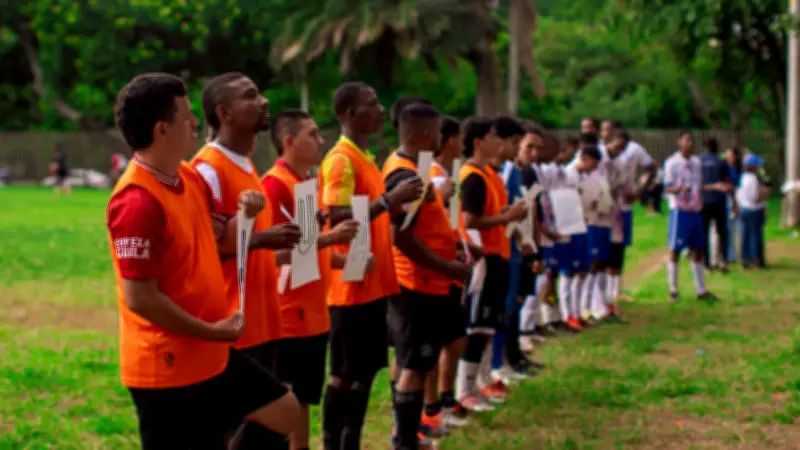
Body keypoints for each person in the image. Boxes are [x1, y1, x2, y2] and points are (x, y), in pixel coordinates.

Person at [108, 72, 300, 449]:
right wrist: (211, 331)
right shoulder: (136, 201)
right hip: (167, 368)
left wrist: (244, 218)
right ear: (163, 129)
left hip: (208, 352)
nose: (196, 122)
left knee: (284, 409)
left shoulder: (186, 176)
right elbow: (141, 298)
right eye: (186, 116)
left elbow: (219, 237)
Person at [194, 72, 315, 449]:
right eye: (251, 96)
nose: (263, 101)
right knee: (251, 423)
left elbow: (248, 249)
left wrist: (302, 244)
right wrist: (265, 238)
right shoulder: (208, 168)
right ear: (224, 113)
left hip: (265, 320)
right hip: (233, 323)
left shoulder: (246, 165)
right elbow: (205, 248)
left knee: (274, 423)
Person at [318, 81, 423, 450]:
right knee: (344, 375)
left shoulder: (366, 157)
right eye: (372, 103)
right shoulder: (341, 159)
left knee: (364, 373)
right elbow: (336, 215)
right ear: (349, 114)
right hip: (349, 285)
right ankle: (333, 442)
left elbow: (373, 209)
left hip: (373, 282)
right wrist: (386, 201)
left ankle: (352, 441)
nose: (381, 110)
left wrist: (396, 207)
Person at [262, 109, 362, 450]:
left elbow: (307, 254)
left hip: (312, 314)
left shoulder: (304, 185)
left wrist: (343, 260)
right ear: (289, 141)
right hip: (289, 315)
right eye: (313, 134)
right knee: (288, 399)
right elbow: (270, 253)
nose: (321, 141)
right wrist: (330, 241)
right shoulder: (274, 186)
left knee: (302, 398)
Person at [382, 103, 471, 450]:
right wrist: (445, 266)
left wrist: (451, 251)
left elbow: (426, 227)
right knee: (415, 366)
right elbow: (401, 237)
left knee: (412, 361)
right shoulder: (405, 175)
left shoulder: (412, 169)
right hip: (416, 284)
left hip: (425, 281)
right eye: (436, 133)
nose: (440, 139)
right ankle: (404, 440)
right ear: (423, 135)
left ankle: (409, 431)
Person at [455, 116, 527, 412]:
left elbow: (492, 214)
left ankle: (480, 384)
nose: (499, 142)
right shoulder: (472, 175)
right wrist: (505, 218)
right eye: (494, 136)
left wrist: (507, 216)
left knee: (488, 326)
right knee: (477, 327)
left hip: (500, 256)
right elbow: (470, 219)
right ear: (479, 142)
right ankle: (464, 390)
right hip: (484, 258)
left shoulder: (491, 175)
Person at [428, 115, 474, 428]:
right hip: (433, 272)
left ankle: (445, 397)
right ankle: (430, 407)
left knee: (454, 338)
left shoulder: (450, 173)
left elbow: (451, 222)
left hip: (451, 266)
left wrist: (461, 246)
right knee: (430, 345)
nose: (463, 144)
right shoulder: (429, 175)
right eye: (459, 138)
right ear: (449, 141)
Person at [663, 131, 718, 302]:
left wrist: (710, 188)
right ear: (679, 142)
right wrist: (679, 189)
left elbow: (699, 184)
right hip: (680, 209)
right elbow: (667, 187)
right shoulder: (672, 163)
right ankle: (673, 288)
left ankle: (701, 290)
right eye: (686, 140)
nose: (689, 144)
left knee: (698, 249)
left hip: (695, 208)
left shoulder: (696, 162)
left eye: (692, 141)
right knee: (675, 249)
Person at [699, 137, 734, 272]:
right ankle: (722, 260)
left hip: (704, 201)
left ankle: (706, 262)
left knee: (704, 232)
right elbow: (727, 182)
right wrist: (733, 200)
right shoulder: (721, 161)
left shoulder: (699, 161)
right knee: (721, 232)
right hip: (719, 201)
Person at [737, 154, 770, 268]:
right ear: (752, 166)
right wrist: (764, 193)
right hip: (754, 210)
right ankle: (756, 260)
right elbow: (755, 198)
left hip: (744, 208)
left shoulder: (743, 177)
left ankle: (745, 259)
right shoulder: (753, 179)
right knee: (755, 235)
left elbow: (740, 194)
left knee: (746, 235)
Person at [724, 147, 743, 264]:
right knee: (729, 229)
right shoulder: (725, 168)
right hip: (729, 200)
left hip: (741, 199)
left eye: (731, 156)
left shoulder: (741, 169)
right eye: (727, 156)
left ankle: (743, 254)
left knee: (741, 228)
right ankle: (731, 255)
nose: (729, 158)